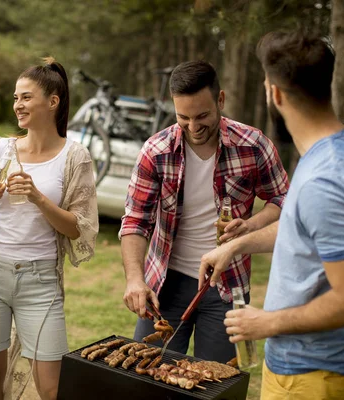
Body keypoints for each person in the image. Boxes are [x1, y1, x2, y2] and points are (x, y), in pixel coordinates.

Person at [199, 30, 344, 400]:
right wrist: (237, 246)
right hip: (321, 361)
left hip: (310, 370)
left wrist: (265, 323)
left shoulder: (326, 180)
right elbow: (304, 228)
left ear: (275, 93)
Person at [120, 60, 289, 363]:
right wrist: (135, 279)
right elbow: (135, 220)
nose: (194, 127)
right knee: (146, 380)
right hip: (164, 286)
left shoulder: (254, 145)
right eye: (183, 117)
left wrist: (252, 225)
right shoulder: (155, 151)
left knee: (217, 383)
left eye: (202, 116)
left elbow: (283, 199)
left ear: (220, 100)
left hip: (227, 284)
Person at [0, 57, 98, 400]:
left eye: (26, 97)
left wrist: (38, 197)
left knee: (52, 388)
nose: (17, 105)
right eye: (16, 97)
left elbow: (78, 228)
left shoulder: (74, 157)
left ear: (53, 101)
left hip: (39, 282)